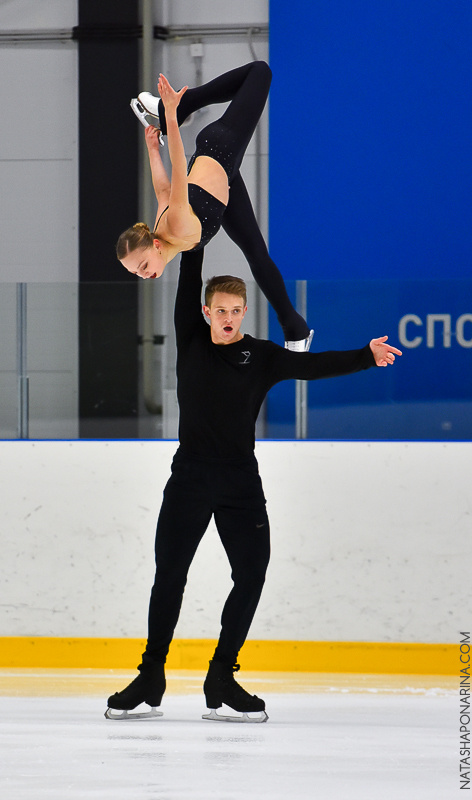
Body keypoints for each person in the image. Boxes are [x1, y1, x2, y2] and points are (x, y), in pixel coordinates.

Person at [105, 247, 402, 723]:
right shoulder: (191, 338)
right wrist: (194, 238)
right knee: (169, 577)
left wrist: (365, 356)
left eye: (235, 311)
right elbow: (188, 277)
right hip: (190, 478)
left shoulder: (261, 356)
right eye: (219, 310)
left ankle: (221, 676)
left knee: (251, 574)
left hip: (240, 482)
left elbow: (312, 366)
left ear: (245, 312)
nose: (226, 318)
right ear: (205, 312)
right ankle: (151, 676)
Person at [119, 60, 313, 351]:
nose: (144, 274)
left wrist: (171, 116)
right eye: (137, 272)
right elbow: (162, 190)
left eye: (143, 265)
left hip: (221, 146)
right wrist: (150, 150)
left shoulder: (175, 225)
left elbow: (179, 166)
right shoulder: (160, 230)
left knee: (260, 72)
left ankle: (184, 104)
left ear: (155, 248)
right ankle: (294, 329)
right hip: (225, 186)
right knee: (256, 254)